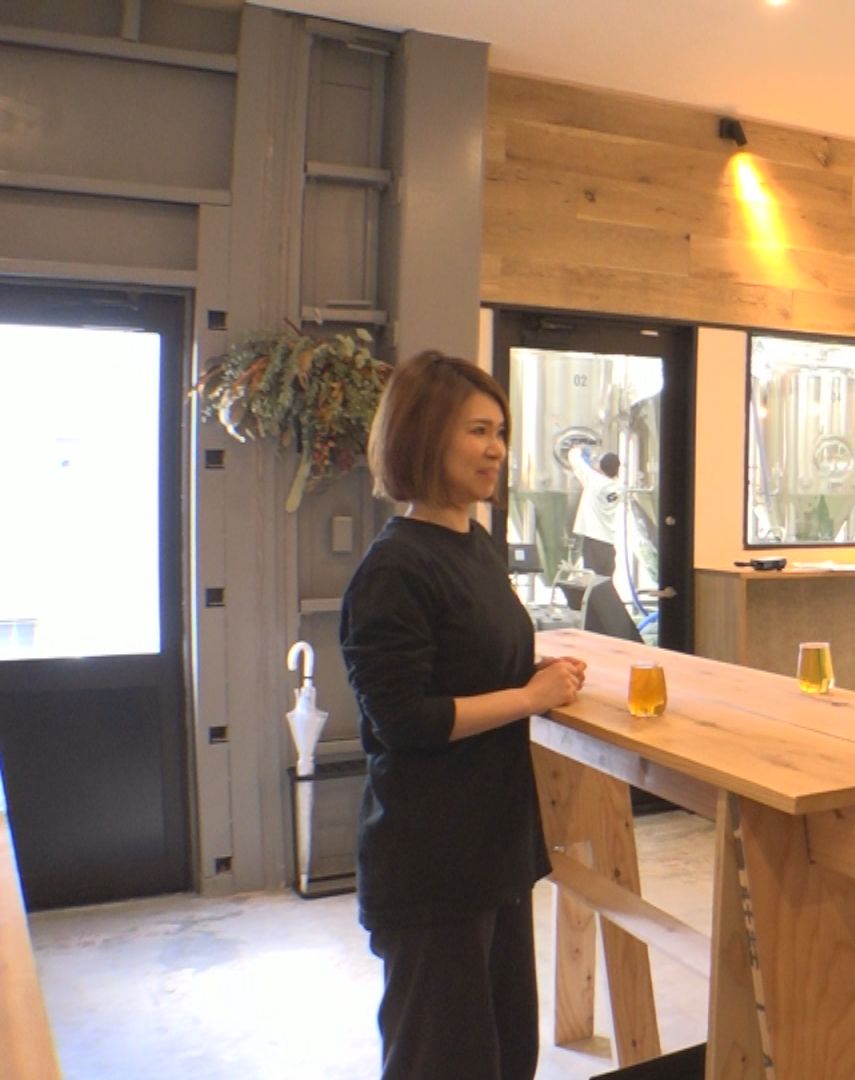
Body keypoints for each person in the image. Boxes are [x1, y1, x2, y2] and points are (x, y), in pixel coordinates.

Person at [339, 351, 587, 1080]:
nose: (496, 449)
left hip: (493, 849)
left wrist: (529, 672)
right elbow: (403, 719)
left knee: (507, 1055)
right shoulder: (395, 569)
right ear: (423, 436)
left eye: (500, 432)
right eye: (478, 431)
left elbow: (467, 659)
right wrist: (529, 698)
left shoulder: (474, 545)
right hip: (432, 865)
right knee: (442, 1063)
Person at [568, 445, 623, 578]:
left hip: (594, 540)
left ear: (601, 466)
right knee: (606, 579)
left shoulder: (594, 481)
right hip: (610, 542)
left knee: (592, 580)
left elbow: (575, 460)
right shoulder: (619, 488)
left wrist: (578, 448)